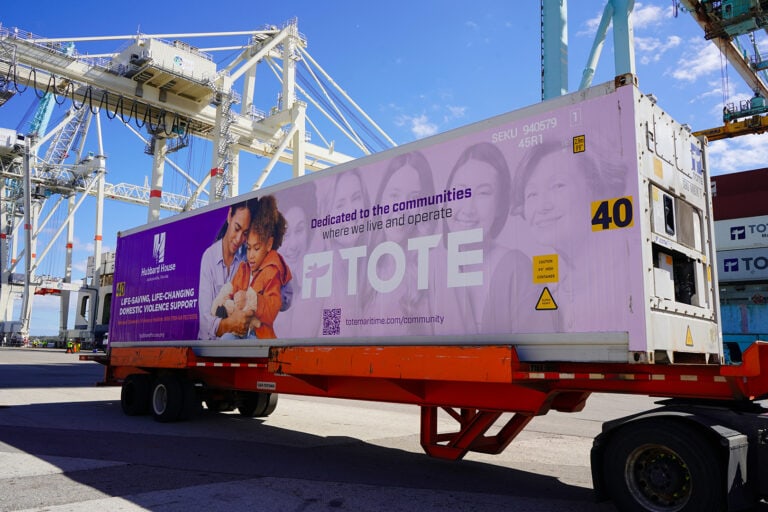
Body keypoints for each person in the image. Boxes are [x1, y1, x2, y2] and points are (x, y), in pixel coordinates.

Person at [510, 139, 630, 332]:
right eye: (532, 194)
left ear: (595, 189)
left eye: (558, 186)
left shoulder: (627, 274)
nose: (542, 206)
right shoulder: (556, 289)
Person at [439, 142, 540, 334]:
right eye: (460, 192)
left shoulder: (517, 269)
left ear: (501, 205)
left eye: (483, 193)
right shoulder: (432, 266)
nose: (468, 208)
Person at [363, 151, 436, 333]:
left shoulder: (430, 270)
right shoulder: (364, 268)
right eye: (394, 195)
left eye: (414, 199)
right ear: (380, 200)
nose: (402, 209)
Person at [222, 195, 291, 339]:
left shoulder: (272, 271)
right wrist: (226, 302)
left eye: (256, 248)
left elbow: (272, 308)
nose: (251, 255)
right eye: (248, 248)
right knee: (225, 340)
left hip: (259, 335)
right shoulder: (244, 269)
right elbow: (232, 290)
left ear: (269, 244)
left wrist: (251, 300)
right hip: (239, 329)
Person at [197, 200, 253, 340]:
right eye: (237, 228)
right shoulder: (209, 257)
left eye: (245, 233)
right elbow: (205, 322)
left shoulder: (246, 261)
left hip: (234, 346)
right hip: (207, 347)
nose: (239, 239)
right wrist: (230, 324)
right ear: (229, 216)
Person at [272, 182, 319, 338]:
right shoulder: (260, 290)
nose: (293, 245)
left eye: (299, 230)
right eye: (285, 235)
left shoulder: (314, 289)